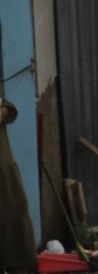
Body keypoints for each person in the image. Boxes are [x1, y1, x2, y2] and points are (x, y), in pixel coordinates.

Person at [0, 98, 36, 273]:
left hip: (2, 169)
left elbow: (9, 109)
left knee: (14, 213)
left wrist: (3, 112)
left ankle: (20, 265)